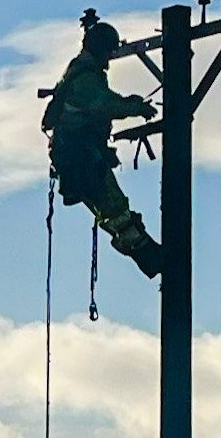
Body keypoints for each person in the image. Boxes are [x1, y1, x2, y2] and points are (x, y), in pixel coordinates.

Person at [42, 18, 164, 278]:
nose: (110, 59)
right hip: (81, 157)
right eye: (109, 52)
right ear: (101, 49)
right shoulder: (85, 78)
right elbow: (103, 104)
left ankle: (150, 257)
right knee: (115, 208)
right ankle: (151, 258)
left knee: (114, 211)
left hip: (77, 157)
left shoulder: (79, 73)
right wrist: (136, 106)